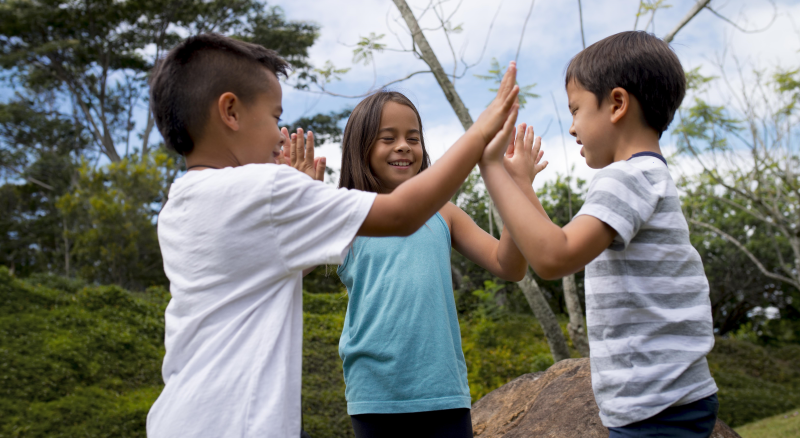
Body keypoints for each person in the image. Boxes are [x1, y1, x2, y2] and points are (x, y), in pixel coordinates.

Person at [145, 32, 520, 438]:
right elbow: (401, 214)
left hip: (183, 417)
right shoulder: (262, 191)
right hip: (242, 422)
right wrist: (480, 133)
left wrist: (293, 204)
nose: (279, 136)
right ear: (231, 112)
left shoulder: (179, 205)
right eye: (275, 117)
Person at [478, 31, 719, 438]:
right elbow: (561, 240)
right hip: (668, 399)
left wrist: (491, 166)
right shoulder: (646, 175)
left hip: (655, 406)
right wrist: (521, 186)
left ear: (617, 104)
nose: (572, 128)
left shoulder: (625, 178)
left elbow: (554, 257)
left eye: (576, 110)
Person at [329, 90, 547, 438]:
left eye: (412, 138)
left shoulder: (445, 213)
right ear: (360, 147)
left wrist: (519, 185)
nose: (403, 146)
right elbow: (291, 270)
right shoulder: (346, 214)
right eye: (389, 138)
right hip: (375, 394)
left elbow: (509, 266)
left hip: (444, 391)